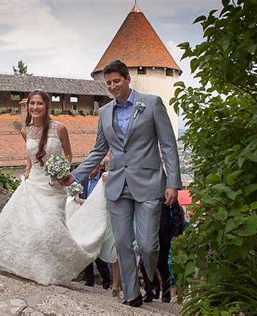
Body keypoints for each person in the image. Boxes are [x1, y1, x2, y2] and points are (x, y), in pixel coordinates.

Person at [62, 60, 182, 307]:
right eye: (108, 83)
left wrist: (173, 182)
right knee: (122, 243)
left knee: (148, 245)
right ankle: (132, 295)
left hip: (149, 183)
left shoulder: (151, 104)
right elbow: (98, 151)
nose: (112, 86)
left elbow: (168, 145)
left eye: (116, 81)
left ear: (128, 79)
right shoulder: (104, 113)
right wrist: (75, 176)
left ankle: (151, 277)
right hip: (117, 185)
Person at [0, 90, 109, 285]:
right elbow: (30, 155)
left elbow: (68, 155)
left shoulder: (60, 128)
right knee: (28, 228)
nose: (35, 107)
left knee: (50, 229)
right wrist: (27, 169)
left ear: (47, 106)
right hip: (33, 185)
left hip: (54, 187)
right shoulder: (26, 130)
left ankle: (53, 271)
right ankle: (32, 269)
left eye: (39, 103)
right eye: (32, 104)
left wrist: (61, 171)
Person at [141, 201, 185, 303]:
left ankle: (165, 293)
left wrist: (175, 234)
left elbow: (177, 214)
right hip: (147, 233)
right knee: (144, 264)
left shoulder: (166, 194)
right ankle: (150, 289)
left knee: (162, 265)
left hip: (164, 234)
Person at [79, 163, 111, 289]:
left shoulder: (104, 180)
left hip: (99, 218)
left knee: (98, 249)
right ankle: (89, 278)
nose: (91, 169)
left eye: (94, 166)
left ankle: (106, 278)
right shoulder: (83, 181)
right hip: (85, 219)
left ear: (99, 166)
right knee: (85, 247)